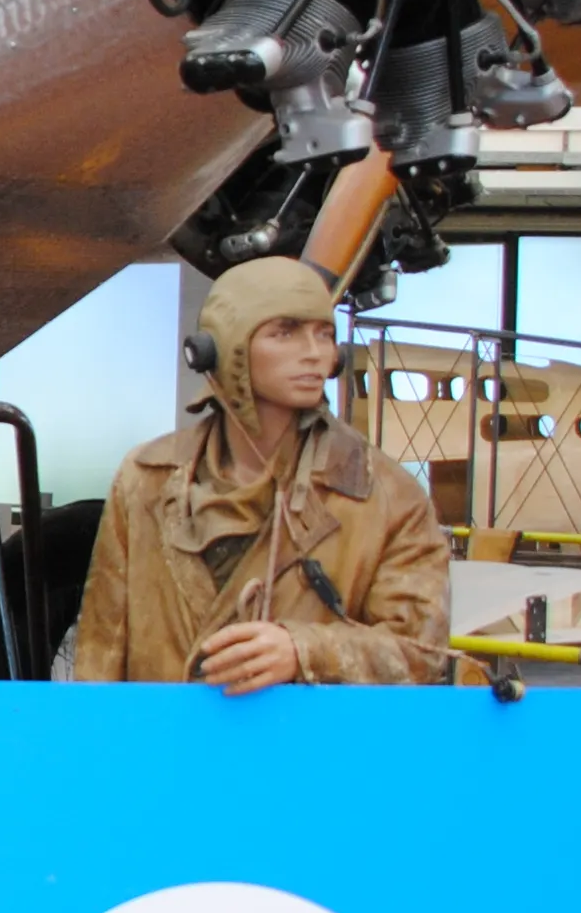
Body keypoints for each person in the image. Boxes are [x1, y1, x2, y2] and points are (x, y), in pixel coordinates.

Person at [70, 257, 452, 690]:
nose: (314, 353)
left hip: (301, 751)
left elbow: (422, 654)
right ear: (222, 347)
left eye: (324, 334)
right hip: (167, 749)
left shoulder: (383, 495)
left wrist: (304, 651)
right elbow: (101, 652)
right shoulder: (147, 479)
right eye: (285, 332)